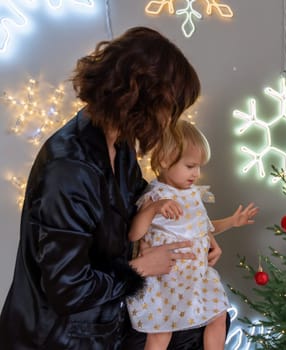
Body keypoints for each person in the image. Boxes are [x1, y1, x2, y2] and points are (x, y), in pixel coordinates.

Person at [0, 26, 223, 349]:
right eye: (169, 111)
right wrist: (141, 267)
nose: (168, 123)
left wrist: (195, 231)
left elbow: (141, 199)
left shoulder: (119, 145)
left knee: (209, 320)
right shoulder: (70, 170)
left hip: (104, 318)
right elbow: (68, 289)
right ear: (143, 100)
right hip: (60, 336)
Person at [126, 119, 259, 350]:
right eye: (190, 166)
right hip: (166, 280)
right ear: (166, 161)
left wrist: (232, 221)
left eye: (199, 167)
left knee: (218, 315)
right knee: (160, 334)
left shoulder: (192, 194)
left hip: (195, 277)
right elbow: (134, 234)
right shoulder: (156, 195)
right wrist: (154, 208)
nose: (197, 174)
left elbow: (202, 228)